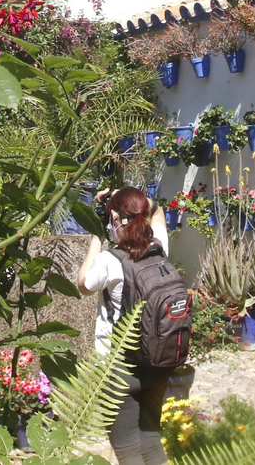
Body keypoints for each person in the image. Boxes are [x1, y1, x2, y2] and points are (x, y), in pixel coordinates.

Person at [76, 187, 171, 465]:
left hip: (118, 367)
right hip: (157, 361)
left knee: (127, 448)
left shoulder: (110, 260)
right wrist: (137, 201)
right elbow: (158, 211)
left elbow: (83, 284)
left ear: (115, 218)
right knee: (151, 439)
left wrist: (98, 231)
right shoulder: (159, 248)